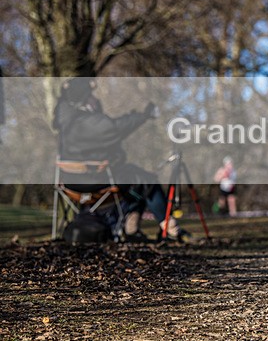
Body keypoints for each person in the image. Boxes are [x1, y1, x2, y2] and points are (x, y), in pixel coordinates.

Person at [52, 77, 190, 242]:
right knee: (148, 182)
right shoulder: (87, 122)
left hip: (69, 184)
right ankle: (171, 229)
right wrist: (144, 115)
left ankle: (131, 229)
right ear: (83, 100)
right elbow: (116, 127)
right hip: (95, 181)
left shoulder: (65, 120)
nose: (95, 99)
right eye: (91, 95)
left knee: (136, 182)